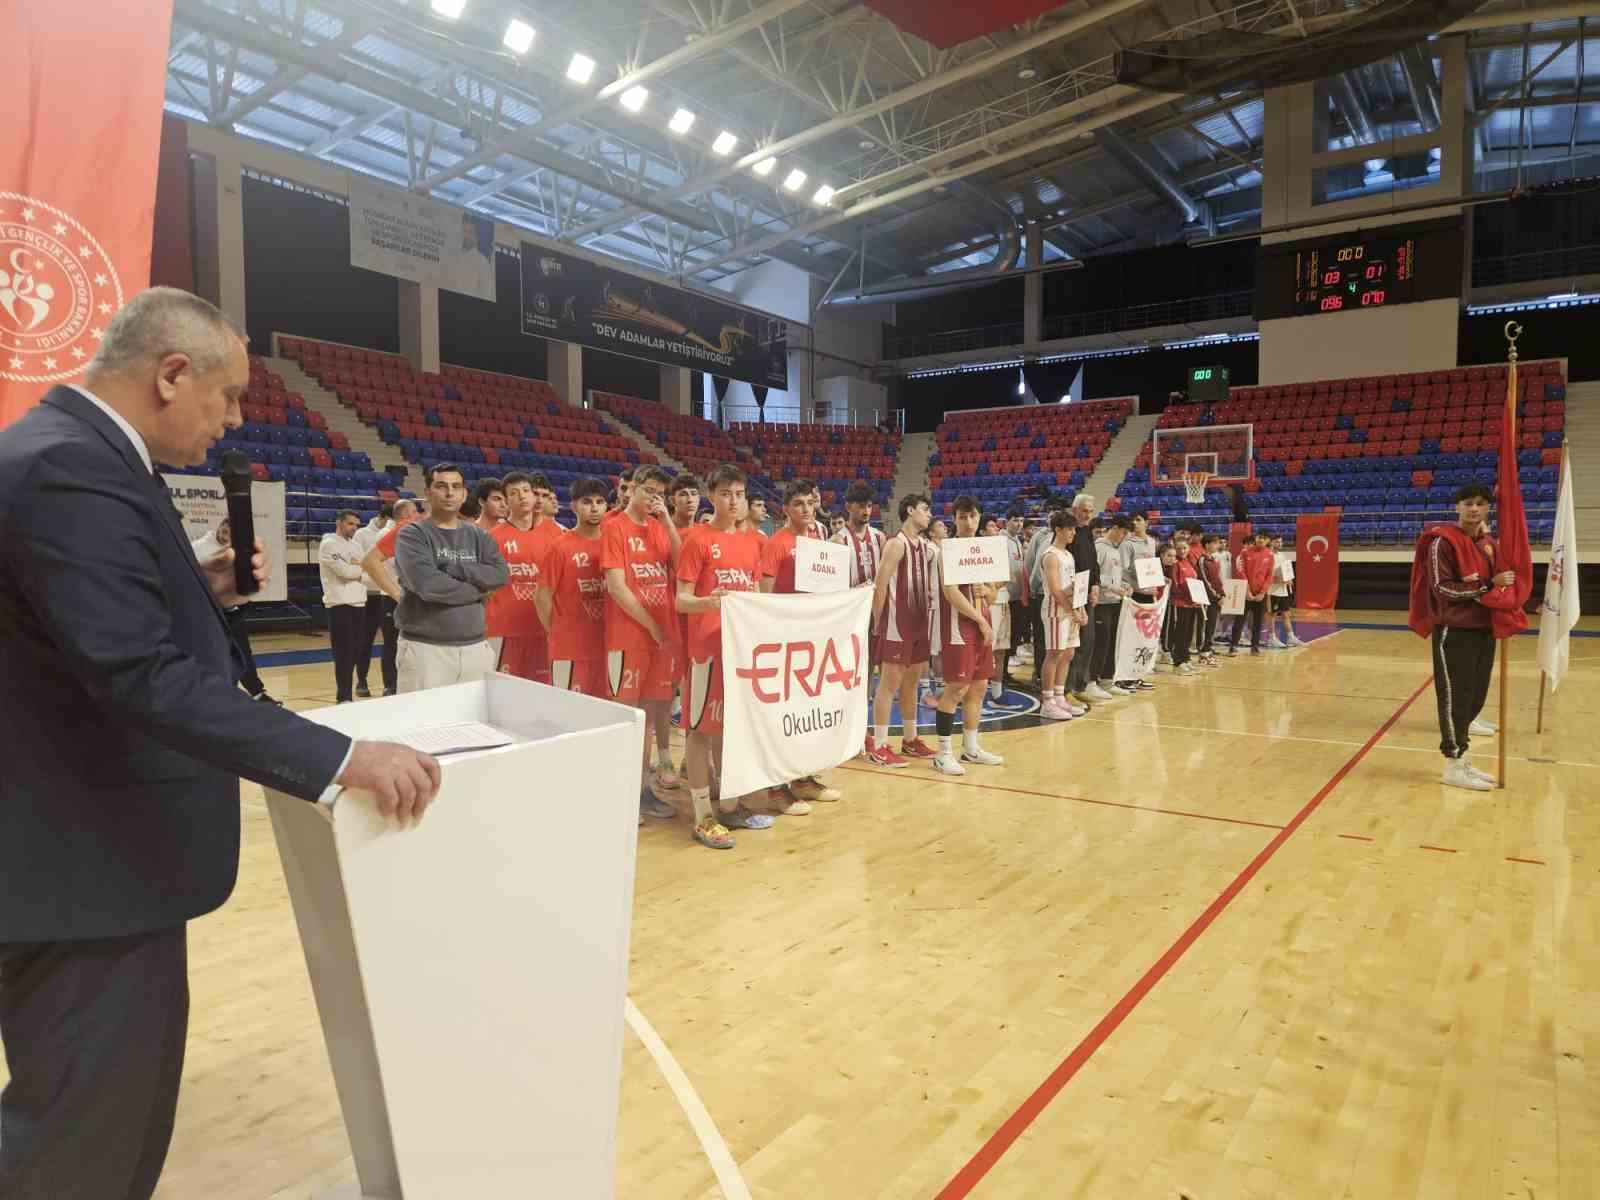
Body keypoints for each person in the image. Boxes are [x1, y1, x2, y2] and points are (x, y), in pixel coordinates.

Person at [0, 287, 439, 1200]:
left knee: (98, 1122)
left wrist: (199, 590)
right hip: (82, 876)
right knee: (84, 1140)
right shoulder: (68, 467)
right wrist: (339, 758)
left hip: (89, 866)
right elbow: (138, 675)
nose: (235, 421)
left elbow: (84, 630)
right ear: (171, 374)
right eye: (230, 397)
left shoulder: (76, 456)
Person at [676, 465, 772, 846]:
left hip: (738, 653)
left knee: (730, 729)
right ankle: (702, 815)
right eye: (726, 494)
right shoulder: (698, 540)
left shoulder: (753, 542)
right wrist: (707, 601)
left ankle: (729, 807)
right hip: (705, 652)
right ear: (712, 496)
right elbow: (680, 600)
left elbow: (755, 595)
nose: (734, 501)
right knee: (699, 730)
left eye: (740, 494)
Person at [1408, 483, 1514, 792]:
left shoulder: (1488, 543)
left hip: (1484, 627)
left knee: (1476, 694)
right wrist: (1486, 586)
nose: (1474, 509)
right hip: (1454, 630)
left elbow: (1499, 584)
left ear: (1488, 509)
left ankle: (1463, 757)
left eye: (1481, 504)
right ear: (1457, 507)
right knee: (1455, 696)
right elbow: (1443, 588)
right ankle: (1452, 763)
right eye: (1468, 503)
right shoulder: (1443, 542)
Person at [602, 465, 683, 821]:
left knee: (648, 718)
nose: (653, 498)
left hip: (659, 636)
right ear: (631, 488)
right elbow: (617, 587)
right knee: (626, 718)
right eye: (647, 490)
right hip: (628, 636)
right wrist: (651, 625)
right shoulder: (614, 526)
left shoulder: (658, 527)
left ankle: (642, 792)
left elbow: (683, 567)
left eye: (659, 493)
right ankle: (619, 796)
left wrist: (667, 522)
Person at [759, 478, 843, 810]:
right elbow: (763, 594)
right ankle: (776, 787)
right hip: (783, 639)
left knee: (806, 714)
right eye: (798, 504)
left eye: (810, 503)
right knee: (781, 716)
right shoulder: (777, 543)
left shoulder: (818, 540)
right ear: (785, 509)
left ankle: (804, 779)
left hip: (812, 638)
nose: (806, 510)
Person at [393, 463, 509, 691]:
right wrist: (478, 591)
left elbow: (499, 574)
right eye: (441, 486)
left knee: (471, 724)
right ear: (427, 492)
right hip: (426, 649)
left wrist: (457, 569)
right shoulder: (412, 535)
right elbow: (428, 585)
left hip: (475, 648)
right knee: (422, 724)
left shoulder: (479, 536)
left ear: (465, 494)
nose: (449, 493)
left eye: (456, 486)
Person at [930, 497, 1004, 773]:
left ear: (979, 517)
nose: (969, 522)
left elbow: (994, 591)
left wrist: (989, 592)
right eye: (962, 517)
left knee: (979, 687)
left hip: (982, 621)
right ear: (955, 520)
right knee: (957, 688)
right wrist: (980, 621)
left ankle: (971, 749)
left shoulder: (984, 550)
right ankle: (943, 753)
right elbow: (951, 593)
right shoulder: (946, 551)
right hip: (958, 626)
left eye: (973, 516)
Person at [867, 494, 936, 767]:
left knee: (912, 684)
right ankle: (880, 745)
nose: (929, 515)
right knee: (888, 686)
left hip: (920, 623)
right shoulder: (896, 544)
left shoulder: (926, 546)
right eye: (924, 509)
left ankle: (910, 740)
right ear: (910, 510)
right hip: (897, 624)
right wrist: (877, 621)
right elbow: (880, 584)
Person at [537, 476, 610, 695]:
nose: (594, 508)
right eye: (587, 502)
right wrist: (558, 632)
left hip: (607, 646)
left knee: (605, 716)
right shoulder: (560, 546)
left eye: (600, 502)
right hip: (570, 649)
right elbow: (542, 596)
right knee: (569, 716)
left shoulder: (613, 543)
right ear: (574, 506)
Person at [191, 518, 276, 704]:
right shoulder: (197, 548)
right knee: (214, 654)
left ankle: (258, 693)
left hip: (234, 610)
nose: (226, 535)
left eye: (231, 533)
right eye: (225, 530)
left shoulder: (238, 551)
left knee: (242, 652)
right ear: (219, 527)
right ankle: (220, 694)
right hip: (208, 612)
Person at [487, 471, 561, 683]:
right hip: (504, 631)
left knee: (545, 694)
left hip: (543, 630)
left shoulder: (555, 535)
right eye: (514, 493)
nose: (522, 497)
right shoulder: (492, 537)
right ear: (506, 501)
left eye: (526, 491)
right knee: (503, 694)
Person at [358, 497, 417, 696]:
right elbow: (383, 564)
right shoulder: (388, 534)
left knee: (404, 642)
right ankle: (390, 685)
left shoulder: (406, 532)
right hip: (392, 595)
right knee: (391, 643)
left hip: (403, 594)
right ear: (406, 514)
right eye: (414, 512)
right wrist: (397, 593)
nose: (417, 516)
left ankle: (399, 684)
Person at [1038, 510, 1088, 720]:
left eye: (1074, 529)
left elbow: (1076, 588)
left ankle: (1059, 696)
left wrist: (1081, 609)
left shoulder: (1069, 555)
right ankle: (1047, 702)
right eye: (1069, 529)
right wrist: (1071, 610)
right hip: (1055, 610)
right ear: (1057, 529)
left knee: (1068, 654)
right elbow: (1056, 590)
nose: (1072, 533)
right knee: (1054, 653)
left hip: (1070, 610)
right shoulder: (1050, 555)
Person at [1062, 494, 1107, 705]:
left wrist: (1096, 584)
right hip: (1073, 596)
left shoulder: (1088, 532)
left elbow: (1093, 562)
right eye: (1084, 510)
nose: (1088, 515)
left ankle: (1080, 685)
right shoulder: (1068, 533)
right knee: (1071, 644)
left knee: (1086, 643)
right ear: (1074, 510)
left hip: (1088, 594)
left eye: (1090, 511)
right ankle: (1066, 689)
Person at [319, 509, 368, 703]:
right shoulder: (328, 544)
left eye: (356, 524)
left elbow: (365, 568)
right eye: (350, 524)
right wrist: (361, 570)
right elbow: (345, 573)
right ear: (339, 523)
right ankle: (344, 696)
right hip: (340, 604)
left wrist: (358, 569)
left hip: (359, 602)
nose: (354, 528)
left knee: (356, 651)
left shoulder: (356, 545)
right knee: (344, 654)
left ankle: (348, 693)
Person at [351, 504, 392, 698]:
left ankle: (390, 684)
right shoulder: (362, 535)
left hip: (388, 593)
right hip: (369, 594)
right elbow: (359, 562)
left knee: (391, 641)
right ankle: (362, 680)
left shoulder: (397, 532)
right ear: (383, 517)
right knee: (365, 640)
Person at [1229, 531, 1274, 656]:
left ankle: (1255, 647)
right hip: (1245, 593)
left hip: (1260, 595)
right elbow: (1241, 572)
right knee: (1239, 620)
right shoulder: (1245, 552)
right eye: (1260, 537)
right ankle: (1233, 646)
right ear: (1256, 538)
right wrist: (1247, 590)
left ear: (1267, 541)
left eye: (1264, 538)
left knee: (1258, 622)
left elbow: (1270, 576)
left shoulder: (1270, 555)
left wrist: (1263, 592)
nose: (1261, 540)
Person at [1167, 532, 1201, 677]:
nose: (1182, 551)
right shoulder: (1175, 564)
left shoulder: (1190, 563)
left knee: (1187, 634)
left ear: (1189, 548)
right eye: (1179, 548)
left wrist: (1198, 596)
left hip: (1191, 604)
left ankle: (1185, 659)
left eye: (1184, 548)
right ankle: (1177, 663)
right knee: (1180, 633)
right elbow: (1175, 585)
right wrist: (1188, 594)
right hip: (1179, 603)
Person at [1266, 534, 1305, 647]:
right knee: (1271, 615)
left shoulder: (1282, 555)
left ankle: (1290, 637)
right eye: (1277, 542)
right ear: (1271, 542)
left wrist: (1289, 579)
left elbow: (1286, 570)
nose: (1280, 544)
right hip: (1271, 590)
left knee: (1286, 614)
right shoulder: (1267, 555)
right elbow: (1265, 574)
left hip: (1282, 590)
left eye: (1281, 542)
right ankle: (1271, 638)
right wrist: (1277, 580)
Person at [1198, 533, 1226, 666]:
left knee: (1212, 626)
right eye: (1215, 543)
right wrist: (1216, 595)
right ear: (1207, 545)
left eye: (1218, 543)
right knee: (1206, 626)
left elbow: (1217, 579)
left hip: (1216, 598)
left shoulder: (1214, 560)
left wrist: (1223, 594)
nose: (1217, 545)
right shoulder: (1202, 560)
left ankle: (1207, 651)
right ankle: (1203, 653)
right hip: (1208, 599)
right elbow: (1205, 581)